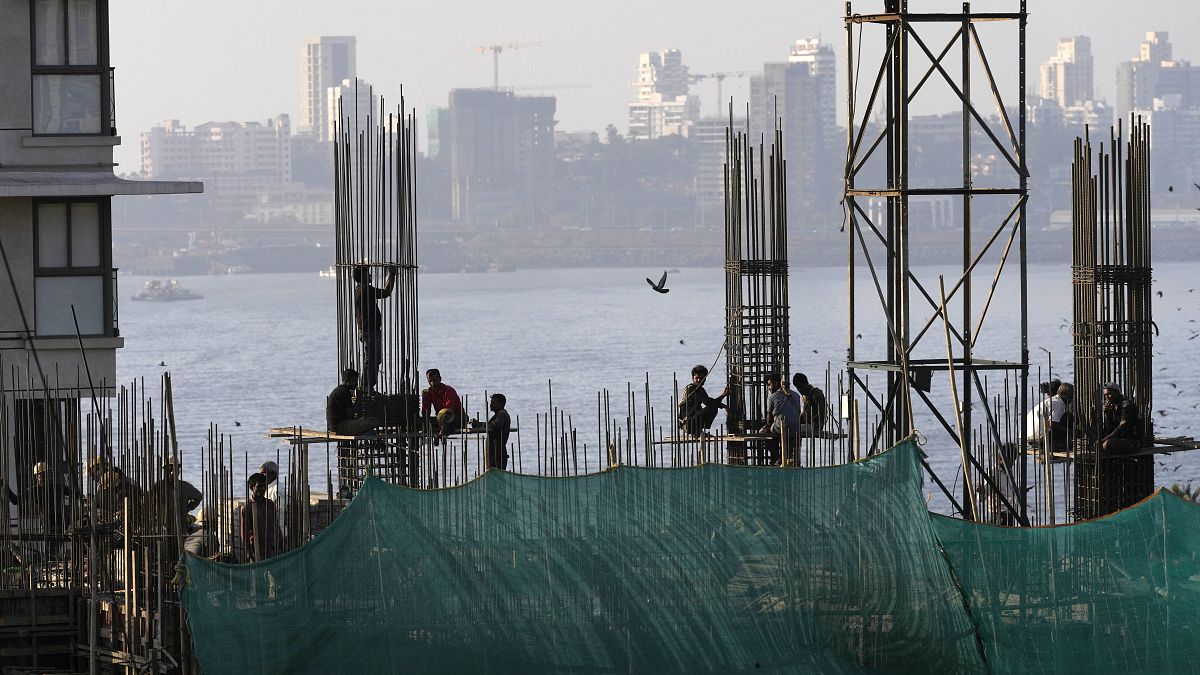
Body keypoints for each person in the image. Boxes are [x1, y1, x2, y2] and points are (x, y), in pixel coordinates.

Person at [353, 264, 398, 391]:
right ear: (362, 276)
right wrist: (392, 275)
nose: (370, 275)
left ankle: (367, 386)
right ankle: (365, 387)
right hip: (369, 331)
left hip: (369, 330)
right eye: (368, 273)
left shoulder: (360, 289)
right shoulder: (366, 289)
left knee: (374, 359)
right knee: (372, 359)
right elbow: (386, 292)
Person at [148, 459, 203, 538]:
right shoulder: (158, 486)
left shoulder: (185, 486)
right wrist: (154, 518)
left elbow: (198, 496)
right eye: (170, 469)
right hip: (162, 527)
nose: (172, 472)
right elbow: (147, 503)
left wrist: (187, 508)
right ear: (165, 470)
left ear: (178, 471)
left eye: (175, 469)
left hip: (180, 528)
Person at [759, 373, 802, 466]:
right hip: (796, 429)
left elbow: (769, 419)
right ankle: (784, 456)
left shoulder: (772, 397)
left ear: (775, 383)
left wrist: (766, 426)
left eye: (769, 385)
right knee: (788, 444)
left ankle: (777, 456)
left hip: (782, 428)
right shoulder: (796, 395)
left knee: (763, 433)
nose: (768, 388)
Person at [240, 473, 281, 562]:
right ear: (252, 487)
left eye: (264, 486)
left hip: (271, 548)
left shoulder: (270, 504)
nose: (262, 489)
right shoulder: (247, 508)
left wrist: (281, 544)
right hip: (257, 550)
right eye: (259, 487)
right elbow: (245, 534)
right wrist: (248, 553)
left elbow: (276, 526)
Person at [326, 368, 381, 436]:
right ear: (348, 381)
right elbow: (351, 413)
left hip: (333, 427)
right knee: (373, 421)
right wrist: (359, 398)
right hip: (339, 427)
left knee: (368, 421)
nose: (356, 384)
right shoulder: (344, 392)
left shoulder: (339, 390)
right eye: (354, 381)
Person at [677, 365, 728, 436]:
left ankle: (698, 430)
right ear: (692, 378)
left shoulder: (700, 389)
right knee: (712, 407)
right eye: (697, 378)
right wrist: (724, 406)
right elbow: (707, 402)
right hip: (688, 422)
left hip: (692, 420)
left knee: (712, 406)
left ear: (705, 378)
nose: (699, 380)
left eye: (701, 378)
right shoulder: (691, 389)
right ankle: (696, 431)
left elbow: (709, 401)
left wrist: (723, 395)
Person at [1100, 383, 1142, 456]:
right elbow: (1109, 430)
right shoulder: (1113, 407)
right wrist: (1108, 415)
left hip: (1132, 442)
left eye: (1109, 394)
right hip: (1119, 439)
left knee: (1106, 444)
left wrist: (1104, 440)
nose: (1107, 397)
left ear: (1117, 392)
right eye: (1105, 395)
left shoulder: (1127, 405)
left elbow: (1122, 428)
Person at [473, 394, 512, 471]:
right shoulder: (499, 415)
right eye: (491, 403)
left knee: (496, 477)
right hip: (495, 453)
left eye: (494, 403)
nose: (491, 405)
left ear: (501, 404)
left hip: (497, 454)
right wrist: (479, 424)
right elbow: (490, 425)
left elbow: (496, 425)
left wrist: (480, 424)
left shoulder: (502, 414)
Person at [421, 369, 462, 443]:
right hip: (440, 418)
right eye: (430, 381)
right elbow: (425, 412)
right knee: (421, 422)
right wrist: (425, 399)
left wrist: (440, 434)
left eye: (435, 380)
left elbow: (449, 413)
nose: (432, 383)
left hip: (455, 417)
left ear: (440, 379)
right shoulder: (429, 392)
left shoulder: (448, 391)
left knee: (449, 423)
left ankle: (441, 434)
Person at [1025, 380, 1067, 446]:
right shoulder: (1058, 402)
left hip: (1027, 436)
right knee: (1066, 417)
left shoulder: (1045, 403)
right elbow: (1053, 424)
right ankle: (1057, 443)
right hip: (1039, 437)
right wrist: (1069, 431)